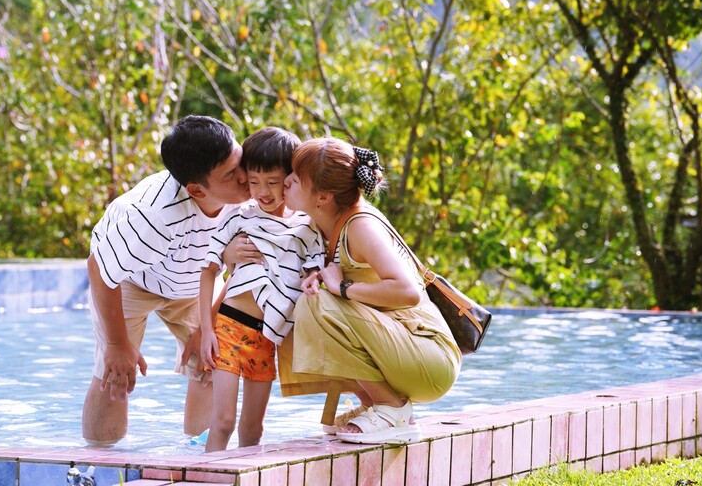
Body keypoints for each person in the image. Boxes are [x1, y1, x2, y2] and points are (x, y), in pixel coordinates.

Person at [82, 115, 257, 446]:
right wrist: (118, 345)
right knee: (115, 376)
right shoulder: (154, 216)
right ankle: (100, 461)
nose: (246, 178)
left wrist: (209, 325)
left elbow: (244, 269)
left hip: (193, 283)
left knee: (212, 359)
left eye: (240, 161)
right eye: (231, 175)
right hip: (132, 281)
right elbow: (100, 271)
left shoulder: (248, 199)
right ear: (195, 189)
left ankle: (198, 456)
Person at [281, 137, 461, 445]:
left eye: (295, 179)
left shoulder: (361, 227)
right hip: (403, 350)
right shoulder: (322, 224)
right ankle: (375, 406)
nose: (285, 182)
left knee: (317, 304)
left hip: (429, 356)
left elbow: (407, 292)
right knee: (309, 301)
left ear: (323, 196)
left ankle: (392, 409)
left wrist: (343, 288)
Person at [198, 127, 325, 451]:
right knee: (223, 421)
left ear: (291, 178)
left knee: (253, 430)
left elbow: (316, 274)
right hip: (229, 326)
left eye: (272, 182)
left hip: (268, 337)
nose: (263, 192)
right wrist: (206, 330)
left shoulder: (306, 227)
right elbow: (208, 269)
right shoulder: (239, 216)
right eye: (254, 182)